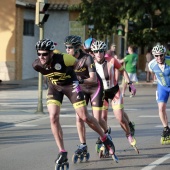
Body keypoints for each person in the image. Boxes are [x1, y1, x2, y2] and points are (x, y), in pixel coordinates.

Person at [32, 39, 116, 166]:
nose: (42, 57)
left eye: (44, 54)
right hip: (55, 87)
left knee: (84, 116)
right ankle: (62, 151)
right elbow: (47, 72)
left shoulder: (65, 58)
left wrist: (75, 78)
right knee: (53, 117)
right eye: (39, 54)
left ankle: (105, 138)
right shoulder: (36, 65)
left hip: (71, 85)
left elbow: (78, 66)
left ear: (51, 53)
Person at [64, 35, 111, 155]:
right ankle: (83, 144)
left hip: (95, 88)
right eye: (66, 47)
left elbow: (93, 79)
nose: (67, 50)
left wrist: (79, 81)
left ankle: (106, 133)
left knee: (97, 118)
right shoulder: (67, 60)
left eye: (69, 48)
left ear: (76, 48)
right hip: (82, 89)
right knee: (79, 117)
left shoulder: (87, 58)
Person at [91, 40, 137, 148]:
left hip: (114, 91)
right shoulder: (91, 64)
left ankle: (128, 134)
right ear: (93, 52)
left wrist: (130, 84)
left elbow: (123, 71)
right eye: (96, 51)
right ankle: (105, 137)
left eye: (101, 51)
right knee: (102, 118)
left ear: (104, 51)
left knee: (120, 118)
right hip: (102, 93)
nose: (99, 53)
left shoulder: (111, 60)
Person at [148, 44, 170, 145]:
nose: (159, 57)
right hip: (162, 87)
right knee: (161, 108)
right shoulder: (151, 64)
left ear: (164, 54)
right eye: (156, 55)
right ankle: (166, 128)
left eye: (161, 55)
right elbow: (153, 73)